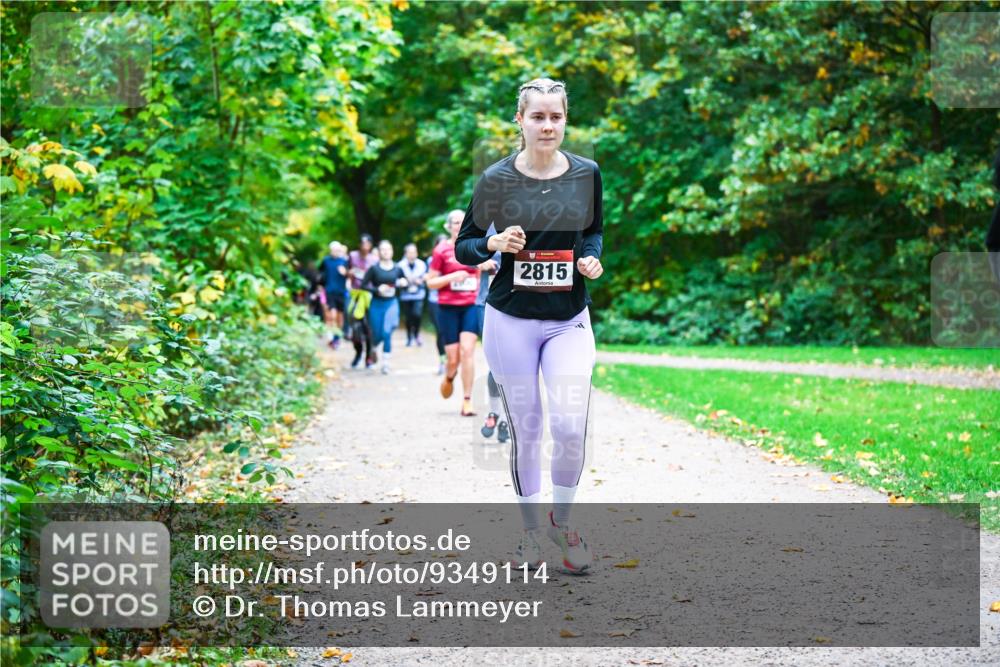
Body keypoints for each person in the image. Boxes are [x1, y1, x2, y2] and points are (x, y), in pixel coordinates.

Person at [455, 77, 604, 574]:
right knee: (530, 427)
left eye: (555, 117)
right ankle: (531, 535)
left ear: (565, 120)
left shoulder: (587, 174)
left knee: (569, 425)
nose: (547, 125)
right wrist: (493, 246)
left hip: (568, 320)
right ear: (519, 121)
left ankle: (565, 525)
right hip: (510, 320)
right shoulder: (496, 180)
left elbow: (594, 232)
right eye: (537, 116)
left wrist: (589, 260)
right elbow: (465, 247)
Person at [426, 211, 481, 416]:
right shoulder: (441, 250)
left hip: (470, 305)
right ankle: (449, 376)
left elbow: (484, 272)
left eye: (463, 222)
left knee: (468, 351)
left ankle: (467, 400)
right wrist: (451, 277)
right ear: (448, 227)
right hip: (448, 308)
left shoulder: (476, 246)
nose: (460, 225)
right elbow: (430, 282)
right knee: (453, 359)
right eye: (456, 223)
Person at [362, 240, 407, 374]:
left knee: (387, 331)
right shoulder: (374, 269)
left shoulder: (398, 268)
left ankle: (386, 363)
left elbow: (403, 282)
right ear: (379, 252)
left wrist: (403, 282)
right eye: (383, 249)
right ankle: (374, 347)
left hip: (391, 303)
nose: (386, 252)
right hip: (376, 304)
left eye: (388, 249)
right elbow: (364, 285)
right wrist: (377, 290)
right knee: (377, 333)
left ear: (392, 251)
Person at [425, 234, 449, 375]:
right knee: (440, 331)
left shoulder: (456, 257)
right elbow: (428, 278)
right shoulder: (431, 260)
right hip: (435, 300)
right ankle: (442, 361)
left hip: (452, 300)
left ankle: (453, 360)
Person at [319, 241, 349, 348]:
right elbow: (320, 274)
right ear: (330, 250)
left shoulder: (344, 261)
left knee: (340, 317)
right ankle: (330, 337)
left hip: (341, 292)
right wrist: (321, 287)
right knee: (332, 315)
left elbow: (350, 275)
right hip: (329, 291)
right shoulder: (326, 261)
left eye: (337, 250)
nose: (335, 252)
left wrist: (345, 273)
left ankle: (337, 338)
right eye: (333, 250)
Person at [398, 243, 428, 347]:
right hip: (406, 295)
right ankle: (409, 337)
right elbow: (396, 280)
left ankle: (416, 334)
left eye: (414, 252)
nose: (412, 254)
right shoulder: (400, 265)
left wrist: (422, 280)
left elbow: (427, 277)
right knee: (408, 317)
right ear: (405, 253)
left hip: (418, 294)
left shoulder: (422, 264)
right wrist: (403, 282)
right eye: (410, 252)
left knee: (417, 314)